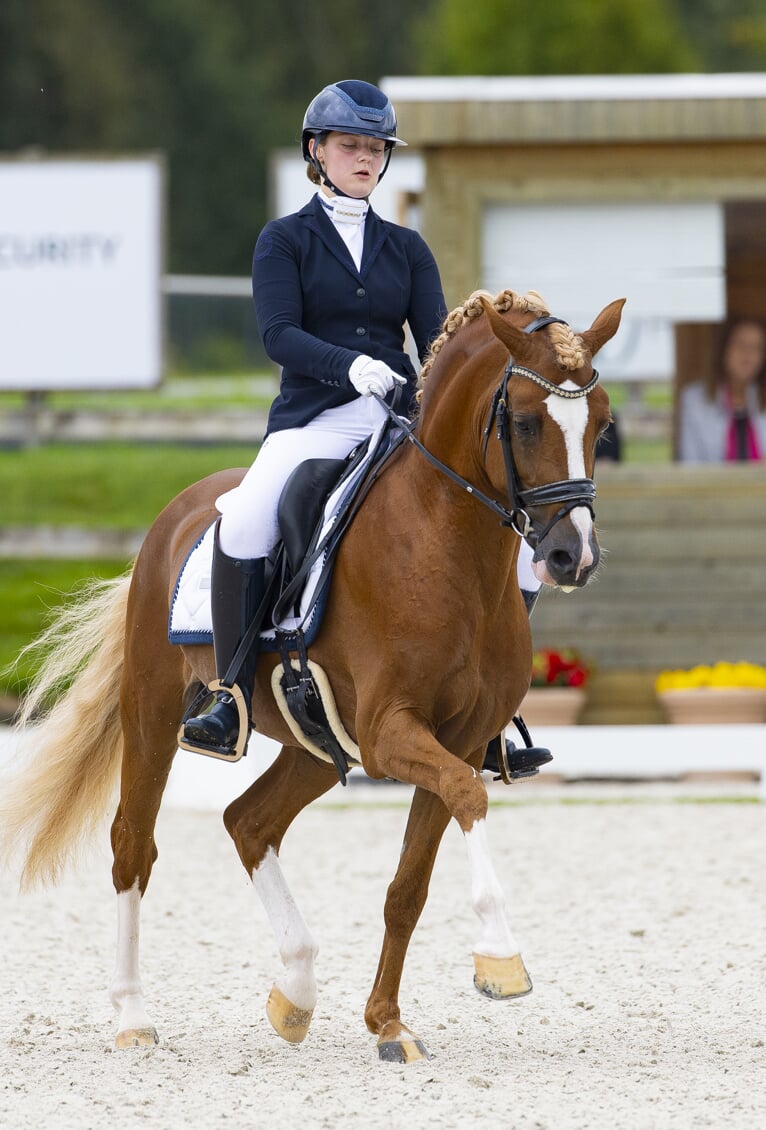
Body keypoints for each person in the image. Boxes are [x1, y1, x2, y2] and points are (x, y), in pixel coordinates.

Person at [180, 79, 544, 762]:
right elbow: (278, 335)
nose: (366, 158)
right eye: (351, 146)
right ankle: (227, 695)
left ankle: (492, 712)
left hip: (396, 420)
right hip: (314, 417)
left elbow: (437, 342)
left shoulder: (406, 248)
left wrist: (419, 387)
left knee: (519, 543)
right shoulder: (283, 240)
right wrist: (347, 366)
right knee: (248, 515)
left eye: (376, 148)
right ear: (316, 150)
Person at [678, 318, 766, 465]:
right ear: (723, 349)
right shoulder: (694, 398)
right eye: (740, 345)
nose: (748, 354)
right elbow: (690, 465)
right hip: (714, 488)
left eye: (757, 347)